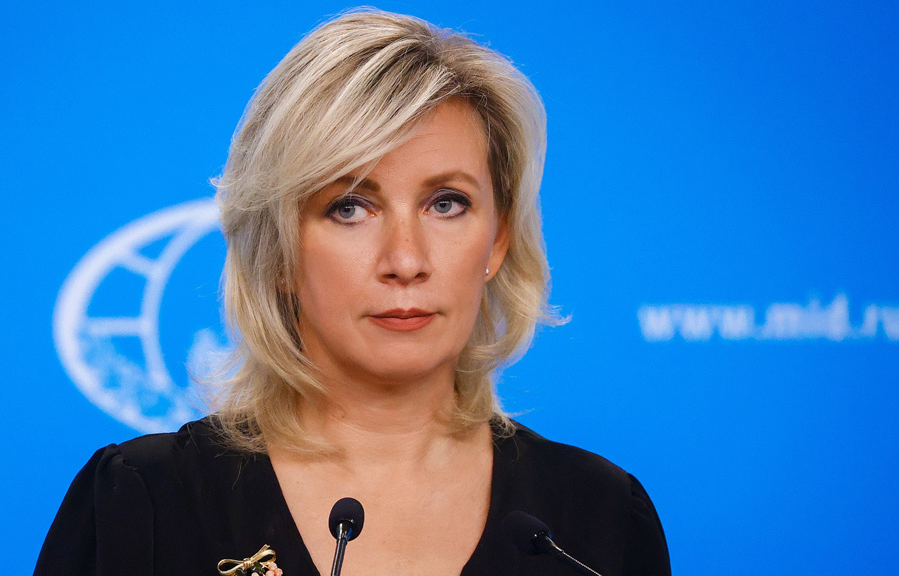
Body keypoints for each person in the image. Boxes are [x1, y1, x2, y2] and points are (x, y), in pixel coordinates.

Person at [35, 8, 671, 576]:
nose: (406, 261)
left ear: (498, 240)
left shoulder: (598, 519)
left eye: (446, 203)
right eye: (349, 207)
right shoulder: (145, 501)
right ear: (278, 250)